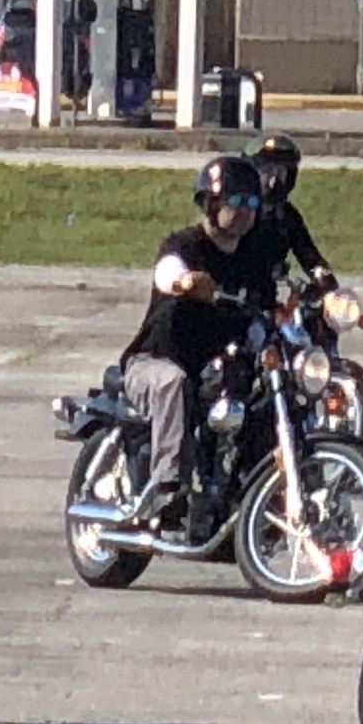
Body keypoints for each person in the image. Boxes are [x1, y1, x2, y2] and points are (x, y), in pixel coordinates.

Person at [115, 156, 269, 532]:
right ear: (211, 204)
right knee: (173, 383)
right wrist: (184, 281)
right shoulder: (185, 245)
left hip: (212, 367)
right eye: (235, 202)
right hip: (156, 360)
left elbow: (264, 312)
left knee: (262, 393)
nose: (244, 212)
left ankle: (243, 492)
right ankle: (168, 485)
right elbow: (167, 269)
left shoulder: (253, 261)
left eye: (252, 203)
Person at [236, 135, 334, 296]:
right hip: (234, 296)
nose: (274, 179)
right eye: (267, 170)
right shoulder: (240, 211)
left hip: (269, 298)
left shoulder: (286, 215)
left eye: (281, 171)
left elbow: (310, 256)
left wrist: (324, 279)